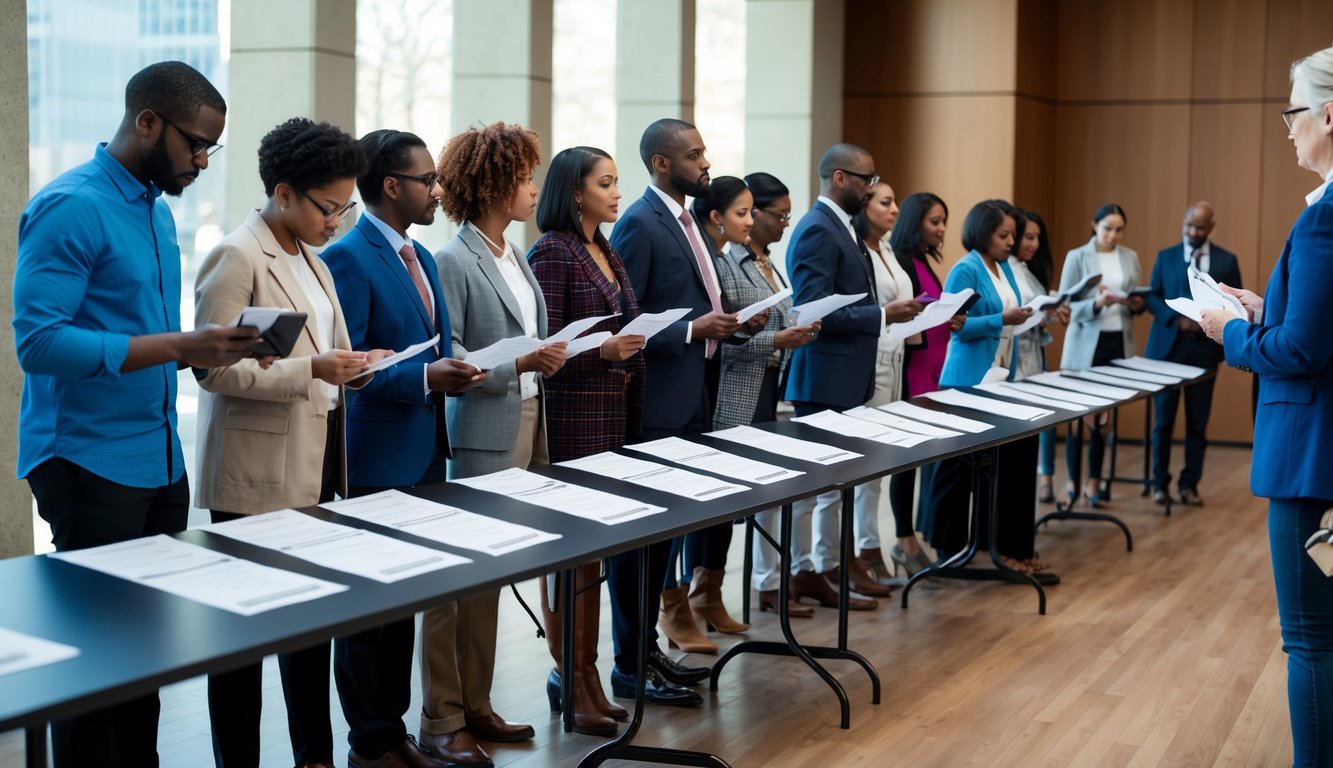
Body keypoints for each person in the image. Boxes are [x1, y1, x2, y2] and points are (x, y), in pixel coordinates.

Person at [12, 61, 259, 768]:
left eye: (214, 147)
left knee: (140, 665)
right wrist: (179, 343)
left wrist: (205, 351)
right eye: (195, 144)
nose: (203, 161)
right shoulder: (72, 205)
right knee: (94, 671)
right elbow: (39, 342)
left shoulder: (154, 209)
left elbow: (137, 337)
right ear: (147, 122)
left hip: (156, 458)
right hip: (87, 461)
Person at [194, 117, 378, 768]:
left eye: (346, 207)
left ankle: (314, 758)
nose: (337, 221)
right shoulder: (237, 254)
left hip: (318, 459)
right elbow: (210, 368)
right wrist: (313, 370)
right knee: (242, 644)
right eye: (329, 207)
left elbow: (321, 353)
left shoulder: (312, 259)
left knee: (310, 628)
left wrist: (354, 364)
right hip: (254, 474)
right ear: (284, 193)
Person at [322, 129, 488, 768]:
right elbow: (352, 369)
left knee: (402, 605)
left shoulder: (418, 256)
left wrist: (462, 367)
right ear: (391, 186)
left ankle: (392, 736)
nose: (437, 191)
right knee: (369, 613)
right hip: (376, 460)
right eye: (428, 181)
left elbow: (434, 345)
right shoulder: (351, 257)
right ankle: (370, 742)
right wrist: (423, 377)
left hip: (423, 453)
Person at [1198, 43, 1333, 767]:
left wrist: (1233, 331)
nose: (1286, 129)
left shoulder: (1323, 219)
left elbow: (1298, 353)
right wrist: (1264, 308)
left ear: (1329, 114)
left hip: (1314, 461)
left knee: (1311, 640)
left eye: (1292, 112)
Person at [527, 147, 674, 712]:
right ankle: (572, 674)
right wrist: (605, 351)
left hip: (615, 415)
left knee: (598, 555)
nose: (617, 192)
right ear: (575, 192)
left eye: (616, 182)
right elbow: (550, 349)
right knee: (574, 557)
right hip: (575, 419)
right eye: (605, 183)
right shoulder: (553, 251)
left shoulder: (603, 247)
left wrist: (631, 343)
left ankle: (585, 676)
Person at [428, 122, 559, 758]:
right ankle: (444, 715)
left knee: (498, 571)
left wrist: (546, 358)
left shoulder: (516, 255)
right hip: (485, 430)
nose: (534, 189)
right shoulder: (454, 259)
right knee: (466, 582)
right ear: (494, 185)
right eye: (525, 177)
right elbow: (449, 352)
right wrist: (519, 366)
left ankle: (477, 704)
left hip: (530, 423)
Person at [610, 118, 750, 663]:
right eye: (694, 155)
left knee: (670, 534)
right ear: (662, 163)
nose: (706, 164)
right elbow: (627, 317)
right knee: (643, 544)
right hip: (658, 400)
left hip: (696, 393)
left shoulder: (689, 221)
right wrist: (693, 330)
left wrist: (727, 323)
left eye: (704, 153)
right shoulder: (642, 223)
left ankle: (649, 654)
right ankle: (632, 659)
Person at [784, 143, 922, 609]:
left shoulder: (841, 227)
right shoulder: (818, 229)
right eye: (866, 178)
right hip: (824, 375)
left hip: (845, 376)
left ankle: (830, 568)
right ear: (840, 178)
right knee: (816, 490)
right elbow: (812, 311)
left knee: (838, 487)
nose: (871, 186)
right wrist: (882, 316)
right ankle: (811, 570)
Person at [692, 175, 809, 631]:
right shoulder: (725, 259)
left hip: (765, 386)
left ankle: (711, 591)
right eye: (772, 214)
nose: (781, 222)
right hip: (734, 389)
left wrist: (792, 329)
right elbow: (723, 340)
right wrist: (773, 336)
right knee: (718, 499)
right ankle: (702, 593)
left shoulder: (764, 261)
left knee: (742, 496)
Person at [928, 200, 1054, 581]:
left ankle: (999, 545)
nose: (1010, 242)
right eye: (1004, 235)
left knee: (1006, 463)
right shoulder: (965, 269)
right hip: (966, 380)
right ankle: (948, 553)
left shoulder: (1002, 268)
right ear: (983, 233)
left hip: (1002, 378)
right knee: (955, 470)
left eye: (1013, 235)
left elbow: (1014, 317)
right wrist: (1002, 319)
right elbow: (953, 325)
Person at [1143, 201, 1241, 506]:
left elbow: (1235, 303)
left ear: (1210, 227)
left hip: (1204, 353)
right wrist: (1178, 319)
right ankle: (1160, 483)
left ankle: (1189, 485)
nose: (1192, 232)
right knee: (1163, 422)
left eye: (1199, 227)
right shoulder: (1166, 257)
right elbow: (1153, 297)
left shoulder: (1227, 260)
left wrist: (1213, 323)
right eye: (1189, 225)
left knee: (1197, 423)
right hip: (1168, 350)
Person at [849, 180, 918, 585]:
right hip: (872, 360)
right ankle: (864, 547)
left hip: (897, 358)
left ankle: (870, 545)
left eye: (896, 203)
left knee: (882, 463)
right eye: (885, 202)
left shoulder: (887, 249)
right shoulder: (861, 252)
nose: (894, 210)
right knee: (866, 463)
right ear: (865, 206)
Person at [1057, 203, 1145, 507]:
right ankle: (1072, 481)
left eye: (1119, 229)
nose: (1113, 235)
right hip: (1085, 343)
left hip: (1117, 341)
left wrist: (1136, 304)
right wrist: (1098, 303)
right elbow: (1063, 308)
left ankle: (1093, 483)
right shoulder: (1077, 256)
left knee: (1104, 419)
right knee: (1080, 417)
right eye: (1108, 228)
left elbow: (1137, 297)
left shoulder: (1129, 256)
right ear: (1094, 225)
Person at [886, 192, 952, 576]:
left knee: (924, 455)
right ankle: (903, 539)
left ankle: (913, 537)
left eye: (944, 221)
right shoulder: (903, 262)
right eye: (934, 221)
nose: (941, 229)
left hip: (935, 366)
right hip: (915, 366)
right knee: (906, 459)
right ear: (915, 222)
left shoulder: (924, 260)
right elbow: (908, 316)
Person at [1013, 210, 1068, 504]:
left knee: (1032, 435)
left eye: (1038, 238)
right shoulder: (1008, 268)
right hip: (1015, 363)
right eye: (1027, 236)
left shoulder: (1027, 269)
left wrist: (1054, 311)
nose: (1033, 244)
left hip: (1034, 359)